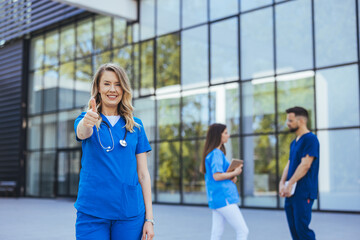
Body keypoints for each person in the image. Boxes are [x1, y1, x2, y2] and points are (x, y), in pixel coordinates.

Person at [74, 63, 155, 240]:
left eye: (118, 84)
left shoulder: (136, 126)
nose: (113, 89)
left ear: (124, 89)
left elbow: (143, 175)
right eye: (107, 83)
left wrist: (149, 218)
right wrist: (87, 121)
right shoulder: (86, 118)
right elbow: (82, 132)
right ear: (98, 87)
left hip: (129, 213)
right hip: (92, 212)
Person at [200, 123, 249, 240]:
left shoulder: (212, 154)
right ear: (219, 135)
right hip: (224, 198)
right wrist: (235, 173)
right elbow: (217, 176)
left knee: (216, 234)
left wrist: (231, 176)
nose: (228, 135)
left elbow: (219, 175)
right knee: (243, 231)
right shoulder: (216, 154)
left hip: (217, 199)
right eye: (226, 133)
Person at [279, 106, 320, 240]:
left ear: (301, 121)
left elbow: (305, 165)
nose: (287, 123)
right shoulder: (294, 142)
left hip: (303, 192)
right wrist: (282, 183)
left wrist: (290, 183)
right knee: (294, 230)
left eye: (290, 120)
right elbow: (290, 163)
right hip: (291, 192)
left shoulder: (310, 139)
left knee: (302, 229)